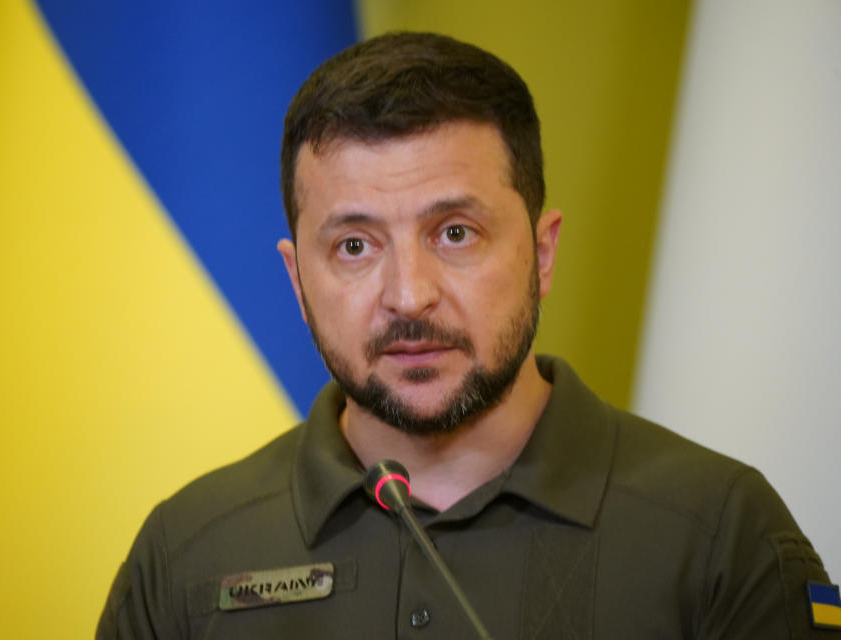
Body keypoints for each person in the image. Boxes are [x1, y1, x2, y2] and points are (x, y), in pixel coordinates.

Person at [97, 32, 839, 639]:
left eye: (455, 232)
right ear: (296, 280)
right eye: (354, 246)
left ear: (542, 254)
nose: (409, 295)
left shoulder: (719, 534)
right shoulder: (186, 552)